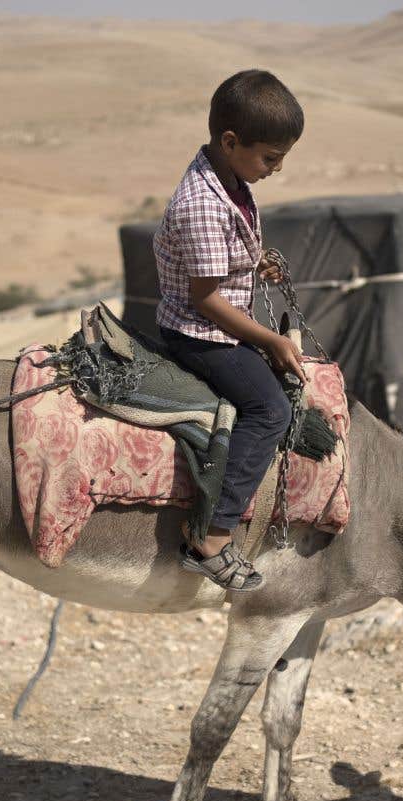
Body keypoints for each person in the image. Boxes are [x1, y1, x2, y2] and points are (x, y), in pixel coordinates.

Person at [154, 69, 304, 592]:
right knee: (270, 409)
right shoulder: (200, 204)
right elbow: (206, 299)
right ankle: (211, 539)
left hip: (217, 319)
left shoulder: (231, 179)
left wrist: (255, 264)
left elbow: (224, 262)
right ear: (230, 141)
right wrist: (269, 339)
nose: (276, 169)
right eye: (270, 158)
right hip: (198, 331)